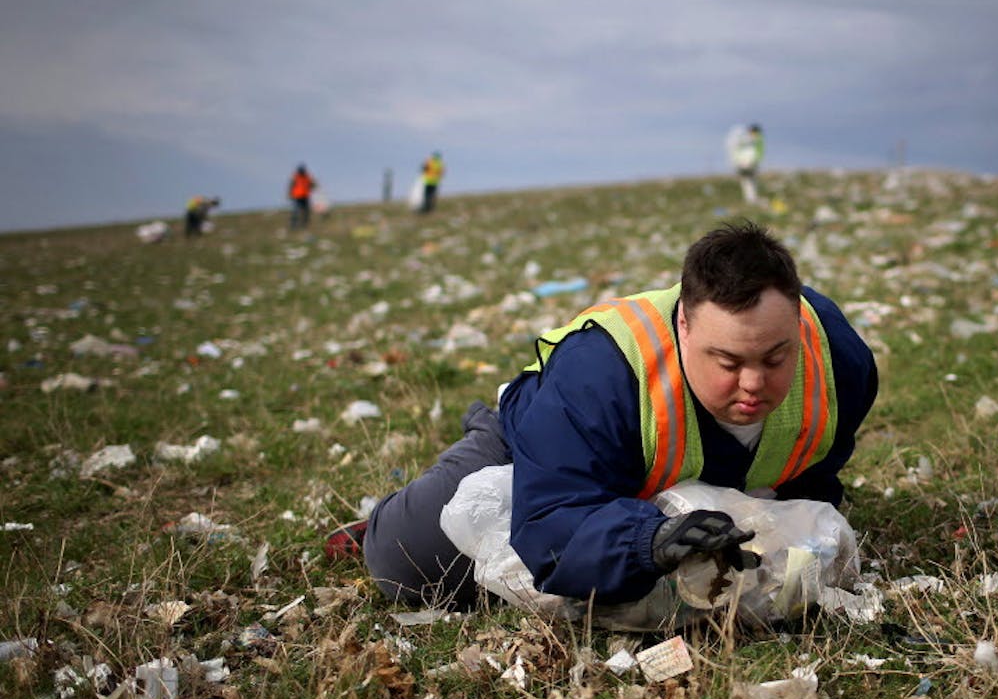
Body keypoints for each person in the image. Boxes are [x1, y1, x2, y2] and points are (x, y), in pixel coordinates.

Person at [331, 221, 878, 609]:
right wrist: (647, 543)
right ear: (683, 327)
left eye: (775, 357)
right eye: (729, 361)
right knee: (407, 565)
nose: (755, 383)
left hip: (678, 476)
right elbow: (552, 522)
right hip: (546, 452)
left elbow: (815, 468)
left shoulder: (839, 361)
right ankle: (424, 484)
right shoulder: (596, 373)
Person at [726, 123, 764, 204]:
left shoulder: (753, 140)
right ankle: (751, 199)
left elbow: (758, 152)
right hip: (746, 164)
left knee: (749, 181)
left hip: (748, 164)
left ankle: (751, 199)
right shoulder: (750, 139)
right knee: (748, 181)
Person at [288, 164, 316, 229]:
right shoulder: (295, 177)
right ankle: (293, 225)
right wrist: (290, 194)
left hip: (305, 196)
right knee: (295, 211)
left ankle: (304, 224)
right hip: (297, 197)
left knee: (306, 211)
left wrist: (312, 186)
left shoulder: (307, 177)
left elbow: (312, 185)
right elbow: (291, 186)